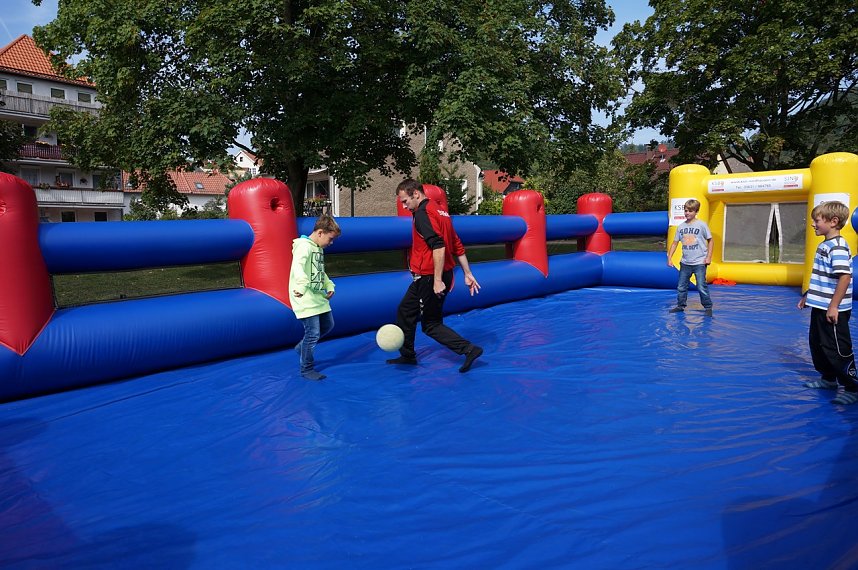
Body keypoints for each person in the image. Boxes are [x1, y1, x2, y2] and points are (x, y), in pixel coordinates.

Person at [387, 179, 483, 373]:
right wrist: (467, 273)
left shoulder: (422, 213)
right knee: (405, 311)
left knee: (430, 324)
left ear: (416, 193)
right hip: (436, 275)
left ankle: (469, 349)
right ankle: (407, 355)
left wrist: (437, 280)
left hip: (431, 277)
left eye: (405, 201)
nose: (404, 206)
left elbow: (438, 246)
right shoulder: (441, 211)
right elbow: (456, 243)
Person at [797, 201, 858, 405]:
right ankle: (828, 378)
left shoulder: (838, 247)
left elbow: (845, 277)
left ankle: (852, 387)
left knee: (837, 347)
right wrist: (809, 295)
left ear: (833, 221)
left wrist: (834, 306)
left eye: (817, 220)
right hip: (820, 305)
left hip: (832, 309)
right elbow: (822, 277)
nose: (813, 224)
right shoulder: (824, 245)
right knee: (817, 343)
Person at [289, 214, 341, 381]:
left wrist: (329, 285)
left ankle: (302, 348)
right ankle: (306, 369)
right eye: (330, 239)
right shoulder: (303, 246)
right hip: (304, 295)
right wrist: (302, 285)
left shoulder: (317, 248)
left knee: (328, 324)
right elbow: (298, 267)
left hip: (317, 296)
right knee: (312, 333)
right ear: (320, 233)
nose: (331, 243)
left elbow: (318, 271)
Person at [667, 199, 714, 316]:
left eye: (690, 211)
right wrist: (669, 257)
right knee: (681, 286)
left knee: (701, 286)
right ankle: (680, 306)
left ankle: (708, 307)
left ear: (696, 211)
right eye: (686, 210)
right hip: (685, 263)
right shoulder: (681, 227)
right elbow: (674, 243)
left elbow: (711, 240)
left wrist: (708, 257)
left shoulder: (702, 225)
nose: (687, 213)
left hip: (699, 262)